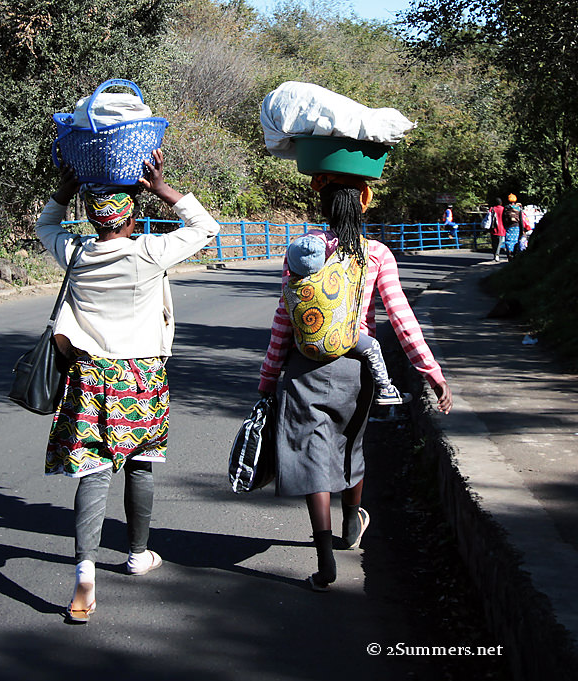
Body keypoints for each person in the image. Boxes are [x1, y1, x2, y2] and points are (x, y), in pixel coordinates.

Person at [35, 149, 220, 623]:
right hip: (141, 376)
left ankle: (85, 569)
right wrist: (162, 187)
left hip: (90, 375)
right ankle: (138, 553)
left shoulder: (75, 254)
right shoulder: (147, 253)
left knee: (94, 472)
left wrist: (65, 189)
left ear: (94, 217)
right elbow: (205, 228)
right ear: (132, 215)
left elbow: (46, 227)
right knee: (140, 464)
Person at [258, 174, 453, 592]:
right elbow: (402, 319)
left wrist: (268, 375)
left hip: (304, 366)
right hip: (356, 369)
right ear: (364, 201)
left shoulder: (301, 251)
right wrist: (431, 372)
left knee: (311, 455)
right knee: (351, 445)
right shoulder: (376, 254)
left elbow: (283, 318)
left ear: (322, 206)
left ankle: (324, 559)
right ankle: (352, 517)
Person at [285, 233, 405, 405]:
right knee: (373, 346)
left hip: (305, 348)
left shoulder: (289, 290)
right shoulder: (329, 282)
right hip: (336, 343)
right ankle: (385, 388)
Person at [503, 194, 523, 259]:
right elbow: (521, 220)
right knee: (515, 240)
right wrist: (522, 230)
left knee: (508, 240)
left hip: (508, 226)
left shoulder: (506, 208)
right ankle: (514, 253)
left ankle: (509, 251)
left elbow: (503, 219)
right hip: (516, 226)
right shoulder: (518, 208)